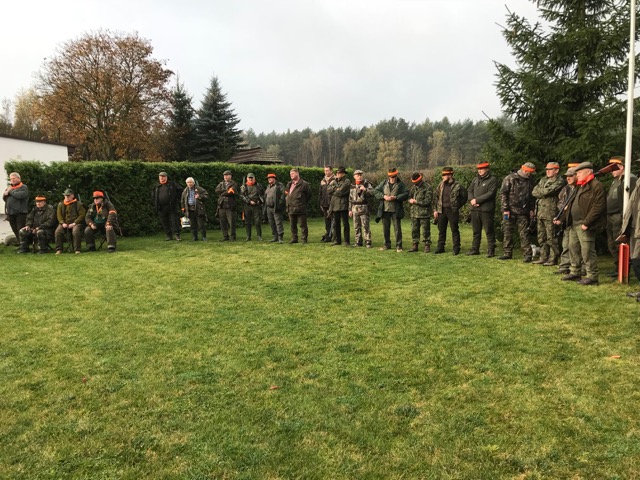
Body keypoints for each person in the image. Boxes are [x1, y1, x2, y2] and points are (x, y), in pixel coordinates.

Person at [560, 161, 606, 285]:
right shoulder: (580, 186)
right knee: (573, 248)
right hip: (574, 223)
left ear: (588, 172)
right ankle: (575, 271)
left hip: (585, 224)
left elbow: (598, 207)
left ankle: (592, 276)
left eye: (580, 172)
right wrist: (565, 218)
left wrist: (587, 222)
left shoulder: (596, 186)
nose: (577, 175)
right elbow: (572, 203)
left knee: (587, 250)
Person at [605, 156, 637, 277]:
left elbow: (631, 200)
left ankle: (623, 269)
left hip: (619, 216)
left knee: (619, 242)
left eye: (613, 168)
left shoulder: (629, 179)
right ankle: (617, 267)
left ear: (621, 167)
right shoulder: (617, 180)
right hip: (611, 215)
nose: (611, 171)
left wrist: (625, 217)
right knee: (612, 243)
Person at [499, 162, 536, 262]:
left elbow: (531, 196)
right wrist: (505, 209)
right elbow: (503, 194)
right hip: (509, 211)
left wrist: (532, 209)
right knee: (507, 232)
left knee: (524, 233)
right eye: (528, 172)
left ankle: (527, 255)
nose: (529, 174)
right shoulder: (510, 178)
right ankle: (507, 253)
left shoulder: (530, 180)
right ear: (524, 170)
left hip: (523, 212)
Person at [531, 162, 566, 265]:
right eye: (547, 169)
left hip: (551, 213)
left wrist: (542, 192)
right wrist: (542, 192)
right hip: (540, 212)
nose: (548, 171)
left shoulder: (559, 181)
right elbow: (534, 191)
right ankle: (543, 257)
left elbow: (547, 192)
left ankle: (553, 258)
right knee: (541, 237)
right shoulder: (543, 179)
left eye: (550, 169)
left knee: (551, 237)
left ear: (556, 170)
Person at [553, 165, 580, 275]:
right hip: (567, 220)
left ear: (577, 176)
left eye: (571, 176)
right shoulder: (566, 189)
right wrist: (560, 218)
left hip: (576, 220)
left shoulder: (580, 188)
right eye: (567, 176)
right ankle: (564, 266)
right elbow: (561, 203)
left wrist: (567, 209)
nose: (568, 178)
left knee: (576, 246)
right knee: (565, 244)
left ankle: (579, 268)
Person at [467, 161, 499, 257]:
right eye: (478, 169)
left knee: (489, 230)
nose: (479, 171)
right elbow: (469, 190)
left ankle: (491, 250)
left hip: (486, 209)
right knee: (476, 231)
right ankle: (475, 249)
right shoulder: (475, 179)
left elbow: (491, 193)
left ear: (487, 169)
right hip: (474, 209)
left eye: (482, 169)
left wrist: (477, 200)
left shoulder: (492, 180)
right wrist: (472, 200)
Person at [374, 167, 409, 252]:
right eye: (391, 176)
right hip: (385, 209)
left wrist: (396, 197)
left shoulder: (400, 184)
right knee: (385, 228)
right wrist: (383, 196)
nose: (393, 178)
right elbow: (376, 191)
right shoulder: (383, 183)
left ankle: (399, 246)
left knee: (397, 229)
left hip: (396, 210)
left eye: (395, 176)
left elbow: (406, 193)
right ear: (389, 176)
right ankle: (387, 245)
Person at [433, 166, 465, 255]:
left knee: (454, 229)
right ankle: (440, 247)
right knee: (441, 230)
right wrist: (435, 210)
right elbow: (436, 197)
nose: (443, 177)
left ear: (450, 175)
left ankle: (456, 248)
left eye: (444, 175)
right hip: (441, 210)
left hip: (452, 211)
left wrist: (457, 206)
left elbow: (464, 197)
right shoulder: (440, 185)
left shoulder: (458, 185)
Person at [618, 178, 640, 298]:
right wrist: (625, 229)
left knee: (637, 261)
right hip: (634, 228)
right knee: (635, 260)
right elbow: (632, 207)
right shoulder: (638, 184)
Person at [152, 171, 182, 241]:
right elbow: (153, 196)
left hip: (171, 206)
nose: (162, 178)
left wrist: (176, 199)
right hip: (161, 207)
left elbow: (181, 191)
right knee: (164, 222)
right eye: (160, 177)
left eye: (163, 177)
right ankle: (169, 236)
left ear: (166, 177)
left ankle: (177, 235)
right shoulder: (157, 186)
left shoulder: (172, 184)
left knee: (174, 221)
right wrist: (156, 204)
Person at [54, 188, 86, 254]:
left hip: (76, 223)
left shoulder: (78, 204)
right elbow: (59, 215)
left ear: (72, 195)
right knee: (58, 232)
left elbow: (82, 215)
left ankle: (77, 249)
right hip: (64, 224)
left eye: (68, 195)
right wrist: (62, 223)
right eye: (65, 195)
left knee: (76, 231)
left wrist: (75, 223)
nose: (67, 197)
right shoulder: (60, 204)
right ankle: (59, 249)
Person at [285, 168, 311, 244]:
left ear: (297, 174)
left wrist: (302, 203)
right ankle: (294, 238)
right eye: (290, 174)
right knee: (292, 225)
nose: (291, 175)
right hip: (290, 207)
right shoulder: (289, 184)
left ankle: (304, 239)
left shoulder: (304, 184)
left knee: (303, 225)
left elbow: (308, 195)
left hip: (300, 208)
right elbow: (287, 193)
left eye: (293, 173)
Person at [408, 172, 432, 253]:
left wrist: (416, 202)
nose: (414, 183)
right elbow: (409, 196)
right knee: (414, 230)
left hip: (424, 213)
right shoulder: (413, 188)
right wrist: (410, 200)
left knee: (426, 231)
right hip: (414, 213)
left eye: (416, 182)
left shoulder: (427, 187)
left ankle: (427, 245)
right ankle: (415, 245)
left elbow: (428, 201)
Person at [349, 169, 374, 248]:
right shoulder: (352, 185)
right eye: (357, 175)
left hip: (364, 207)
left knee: (365, 225)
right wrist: (350, 209)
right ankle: (358, 241)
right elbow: (350, 198)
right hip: (354, 207)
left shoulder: (366, 184)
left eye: (360, 175)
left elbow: (373, 192)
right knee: (356, 226)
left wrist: (365, 190)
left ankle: (368, 241)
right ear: (354, 176)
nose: (359, 176)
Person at [327, 166, 351, 246]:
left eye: (339, 173)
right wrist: (336, 189)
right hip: (335, 205)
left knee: (345, 224)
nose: (338, 174)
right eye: (337, 173)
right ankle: (338, 240)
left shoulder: (347, 181)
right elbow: (328, 189)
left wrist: (334, 190)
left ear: (343, 174)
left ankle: (347, 240)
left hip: (343, 205)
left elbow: (341, 192)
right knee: (336, 224)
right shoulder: (334, 181)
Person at [181, 177, 209, 241]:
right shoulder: (185, 190)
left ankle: (204, 237)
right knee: (192, 225)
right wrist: (183, 208)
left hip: (199, 209)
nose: (189, 184)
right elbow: (182, 200)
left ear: (193, 183)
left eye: (190, 182)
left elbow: (206, 196)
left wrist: (200, 197)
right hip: (189, 210)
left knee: (201, 224)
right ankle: (194, 237)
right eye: (188, 182)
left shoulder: (199, 189)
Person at [3, 172, 29, 239]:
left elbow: (20, 195)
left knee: (20, 229)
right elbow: (5, 199)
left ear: (19, 178)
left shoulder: (23, 187)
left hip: (20, 213)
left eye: (14, 178)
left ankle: (23, 243)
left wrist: (10, 191)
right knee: (14, 229)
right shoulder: (10, 187)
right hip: (11, 213)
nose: (12, 180)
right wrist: (5, 193)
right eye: (11, 179)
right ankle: (19, 242)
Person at [215, 170, 239, 241]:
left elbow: (230, 193)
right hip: (221, 206)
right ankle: (225, 236)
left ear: (230, 176)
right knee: (222, 222)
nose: (225, 177)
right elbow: (216, 191)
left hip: (230, 206)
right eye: (224, 175)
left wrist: (222, 193)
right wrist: (226, 190)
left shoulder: (234, 184)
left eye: (227, 175)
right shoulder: (221, 183)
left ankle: (233, 237)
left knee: (232, 223)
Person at [240, 172, 264, 241]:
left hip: (256, 205)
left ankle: (259, 236)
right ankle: (248, 236)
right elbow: (242, 196)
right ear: (247, 179)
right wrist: (249, 201)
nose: (251, 179)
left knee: (257, 221)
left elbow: (263, 194)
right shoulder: (243, 186)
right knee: (247, 221)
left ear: (254, 178)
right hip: (247, 205)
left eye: (252, 178)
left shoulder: (258, 185)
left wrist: (260, 201)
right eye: (249, 178)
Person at [264, 173, 286, 243]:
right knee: (271, 223)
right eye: (268, 178)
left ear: (274, 179)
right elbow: (266, 195)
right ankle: (275, 236)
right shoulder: (268, 186)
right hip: (268, 207)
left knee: (278, 222)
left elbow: (283, 195)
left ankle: (280, 237)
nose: (269, 179)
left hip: (276, 207)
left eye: (270, 178)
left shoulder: (279, 185)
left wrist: (279, 204)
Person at [319, 165, 335, 242]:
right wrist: (320, 203)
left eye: (327, 170)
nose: (326, 172)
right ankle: (328, 233)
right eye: (325, 170)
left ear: (331, 171)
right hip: (324, 203)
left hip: (333, 204)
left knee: (333, 220)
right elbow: (320, 193)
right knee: (327, 221)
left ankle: (333, 235)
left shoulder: (335, 180)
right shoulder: (322, 181)